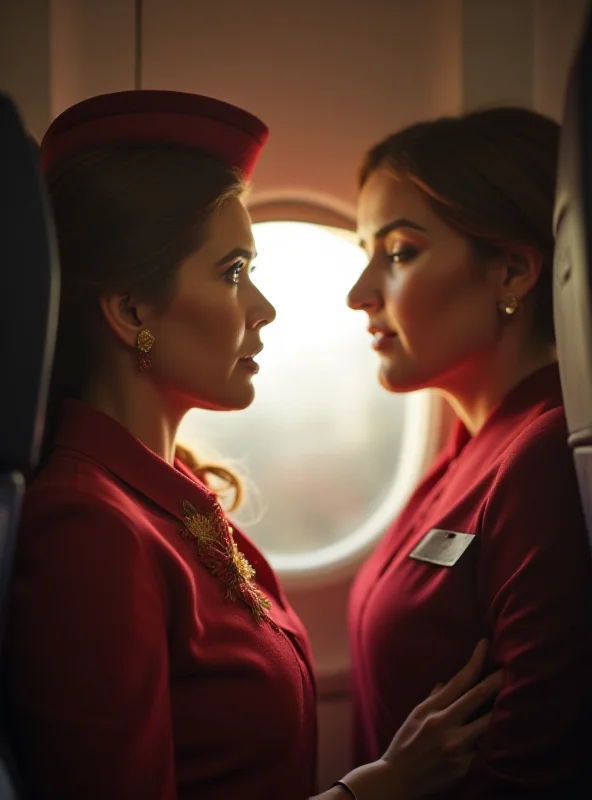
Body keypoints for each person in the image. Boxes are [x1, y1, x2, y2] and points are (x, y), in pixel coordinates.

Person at [1, 90, 500, 800]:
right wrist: (378, 788)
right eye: (233, 272)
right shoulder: (87, 527)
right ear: (131, 308)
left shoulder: (163, 492)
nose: (262, 309)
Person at [347, 107, 592, 798]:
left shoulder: (539, 455)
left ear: (513, 270)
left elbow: (531, 771)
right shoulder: (465, 445)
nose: (359, 293)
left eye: (397, 253)